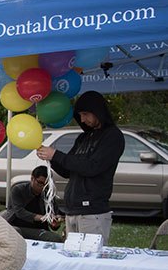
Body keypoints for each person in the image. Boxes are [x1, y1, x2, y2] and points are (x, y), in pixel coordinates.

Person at [36, 91, 124, 245]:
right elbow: (67, 171)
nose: (82, 119)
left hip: (93, 211)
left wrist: (56, 155)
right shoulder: (83, 138)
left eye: (85, 114)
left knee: (91, 261)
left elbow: (93, 167)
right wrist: (50, 158)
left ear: (98, 111)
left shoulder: (113, 136)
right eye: (80, 115)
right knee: (73, 260)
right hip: (72, 210)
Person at [0, 166, 64, 243]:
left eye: (46, 184)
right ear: (32, 178)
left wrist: (55, 223)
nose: (43, 187)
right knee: (15, 232)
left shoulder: (49, 195)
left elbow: (53, 221)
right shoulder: (18, 190)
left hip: (39, 229)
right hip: (18, 226)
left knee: (55, 238)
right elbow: (19, 212)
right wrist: (43, 218)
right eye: (40, 183)